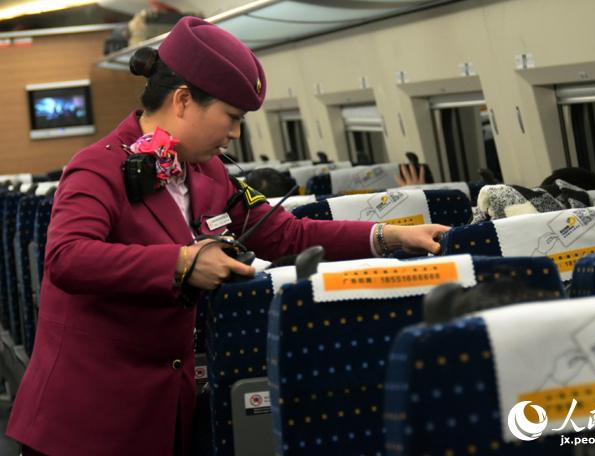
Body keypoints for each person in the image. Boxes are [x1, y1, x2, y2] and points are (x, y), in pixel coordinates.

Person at [6, 17, 448, 456]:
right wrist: (183, 262)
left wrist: (389, 236)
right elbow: (67, 258)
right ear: (183, 100)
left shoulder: (209, 172)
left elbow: (286, 234)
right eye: (232, 117)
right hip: (88, 421)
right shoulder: (96, 167)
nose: (235, 134)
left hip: (168, 410)